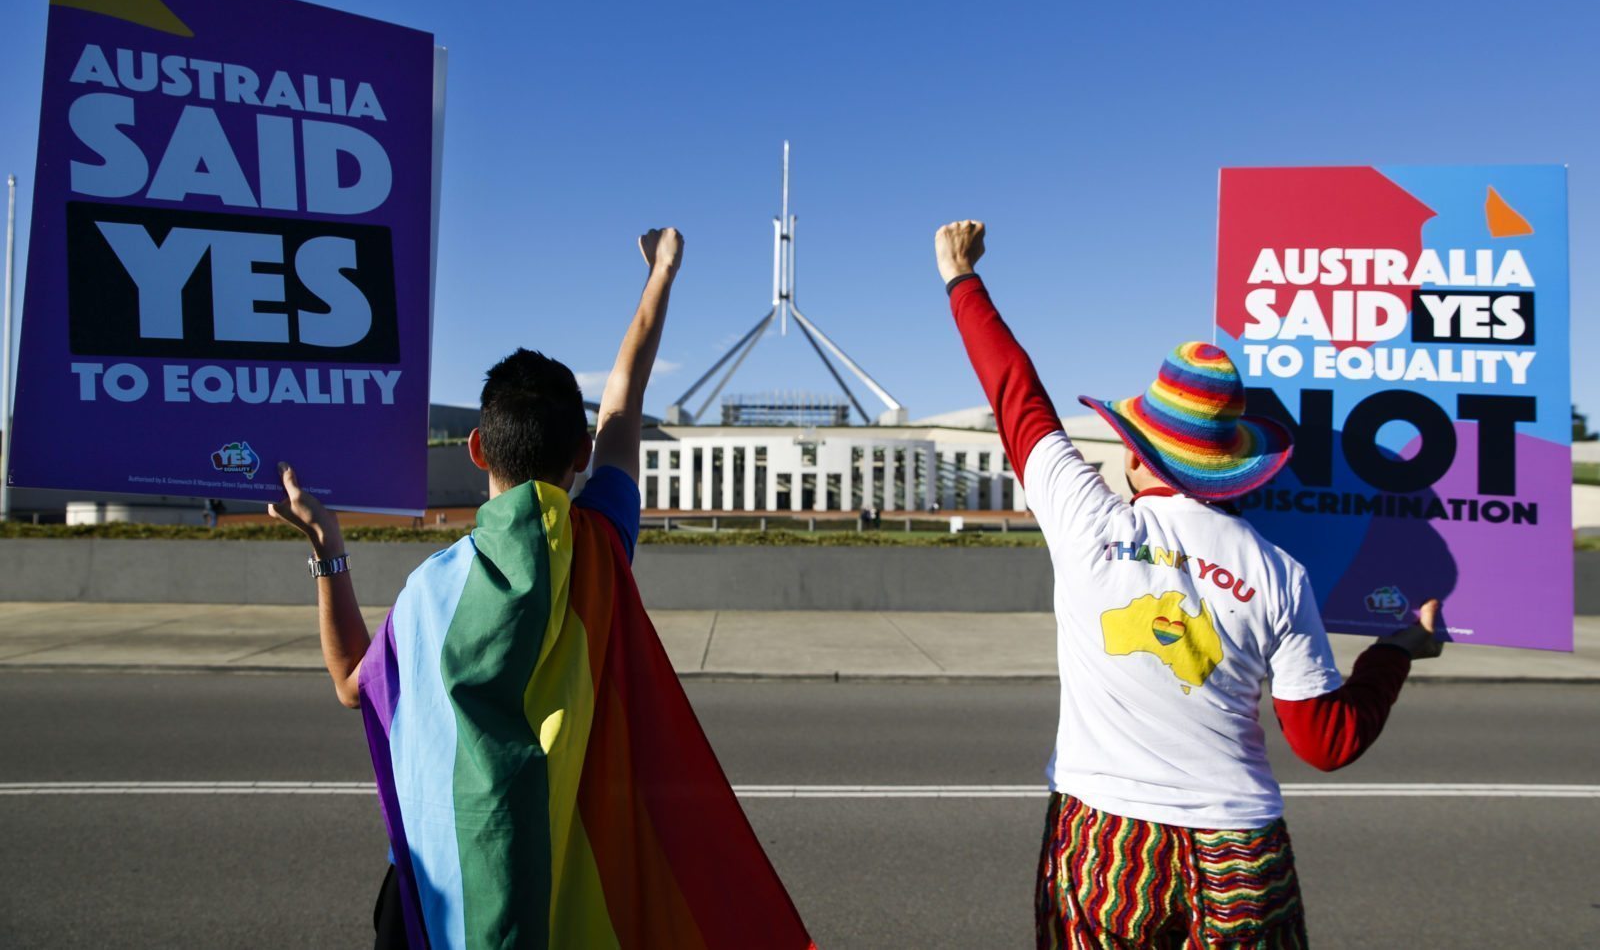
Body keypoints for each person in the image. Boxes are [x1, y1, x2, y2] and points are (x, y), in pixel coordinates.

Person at [269, 228, 813, 950]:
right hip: (572, 890)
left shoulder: (432, 592)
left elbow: (349, 681)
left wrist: (329, 552)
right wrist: (662, 273)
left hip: (438, 902)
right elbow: (625, 399)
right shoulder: (599, 548)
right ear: (581, 454)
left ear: (476, 449)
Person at [932, 220, 1443, 949]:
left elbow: (1017, 396)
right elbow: (1325, 741)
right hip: (1240, 852)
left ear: (1143, 455)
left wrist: (962, 277)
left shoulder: (1086, 521)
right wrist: (1396, 650)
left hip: (1104, 841)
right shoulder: (1278, 572)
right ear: (1230, 469)